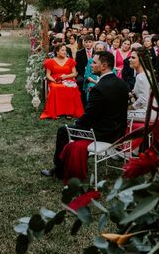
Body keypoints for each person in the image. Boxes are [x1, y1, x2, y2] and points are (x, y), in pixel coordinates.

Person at [41, 50, 129, 179]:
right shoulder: (122, 84)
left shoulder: (99, 88)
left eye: (94, 63)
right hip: (119, 131)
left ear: (104, 66)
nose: (90, 65)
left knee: (63, 130)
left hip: (102, 134)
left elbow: (88, 118)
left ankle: (59, 169)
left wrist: (77, 124)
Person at [40, 44, 84, 120]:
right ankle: (57, 111)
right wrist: (53, 80)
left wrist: (66, 76)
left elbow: (74, 73)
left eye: (65, 50)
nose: (64, 52)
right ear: (57, 51)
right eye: (62, 50)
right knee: (55, 87)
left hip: (68, 79)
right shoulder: (50, 61)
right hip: (55, 80)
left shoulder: (70, 61)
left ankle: (69, 112)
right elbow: (48, 75)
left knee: (71, 87)